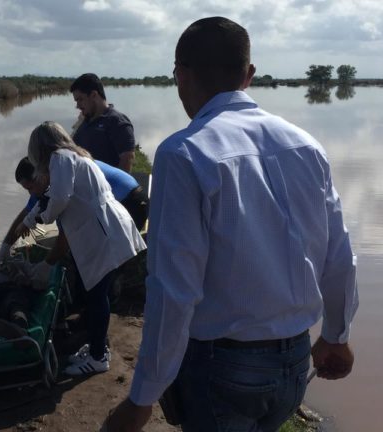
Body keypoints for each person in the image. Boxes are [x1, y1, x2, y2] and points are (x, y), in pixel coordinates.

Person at [104, 17, 359, 432]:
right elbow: (340, 256)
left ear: (180, 74)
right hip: (294, 361)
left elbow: (173, 289)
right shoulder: (307, 146)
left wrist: (141, 398)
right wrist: (336, 335)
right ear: (249, 74)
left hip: (221, 367)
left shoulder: (183, 153)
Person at [27, 121, 146, 376]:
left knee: (96, 296)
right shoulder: (76, 156)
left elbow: (60, 198)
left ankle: (98, 356)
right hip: (106, 226)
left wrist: (43, 217)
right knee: (96, 293)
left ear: (40, 147)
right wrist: (33, 216)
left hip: (101, 232)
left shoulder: (59, 158)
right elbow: (56, 196)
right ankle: (97, 346)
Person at [0, 157, 149, 268]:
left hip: (130, 202)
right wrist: (5, 247)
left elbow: (66, 237)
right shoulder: (48, 176)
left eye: (30, 188)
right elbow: (27, 212)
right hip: (119, 200)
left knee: (100, 264)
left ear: (39, 177)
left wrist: (45, 266)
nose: (31, 193)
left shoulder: (62, 185)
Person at [70, 73, 136, 172]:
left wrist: (113, 182)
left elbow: (127, 159)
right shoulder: (84, 121)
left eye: (80, 99)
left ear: (94, 95)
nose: (77, 106)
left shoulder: (117, 122)